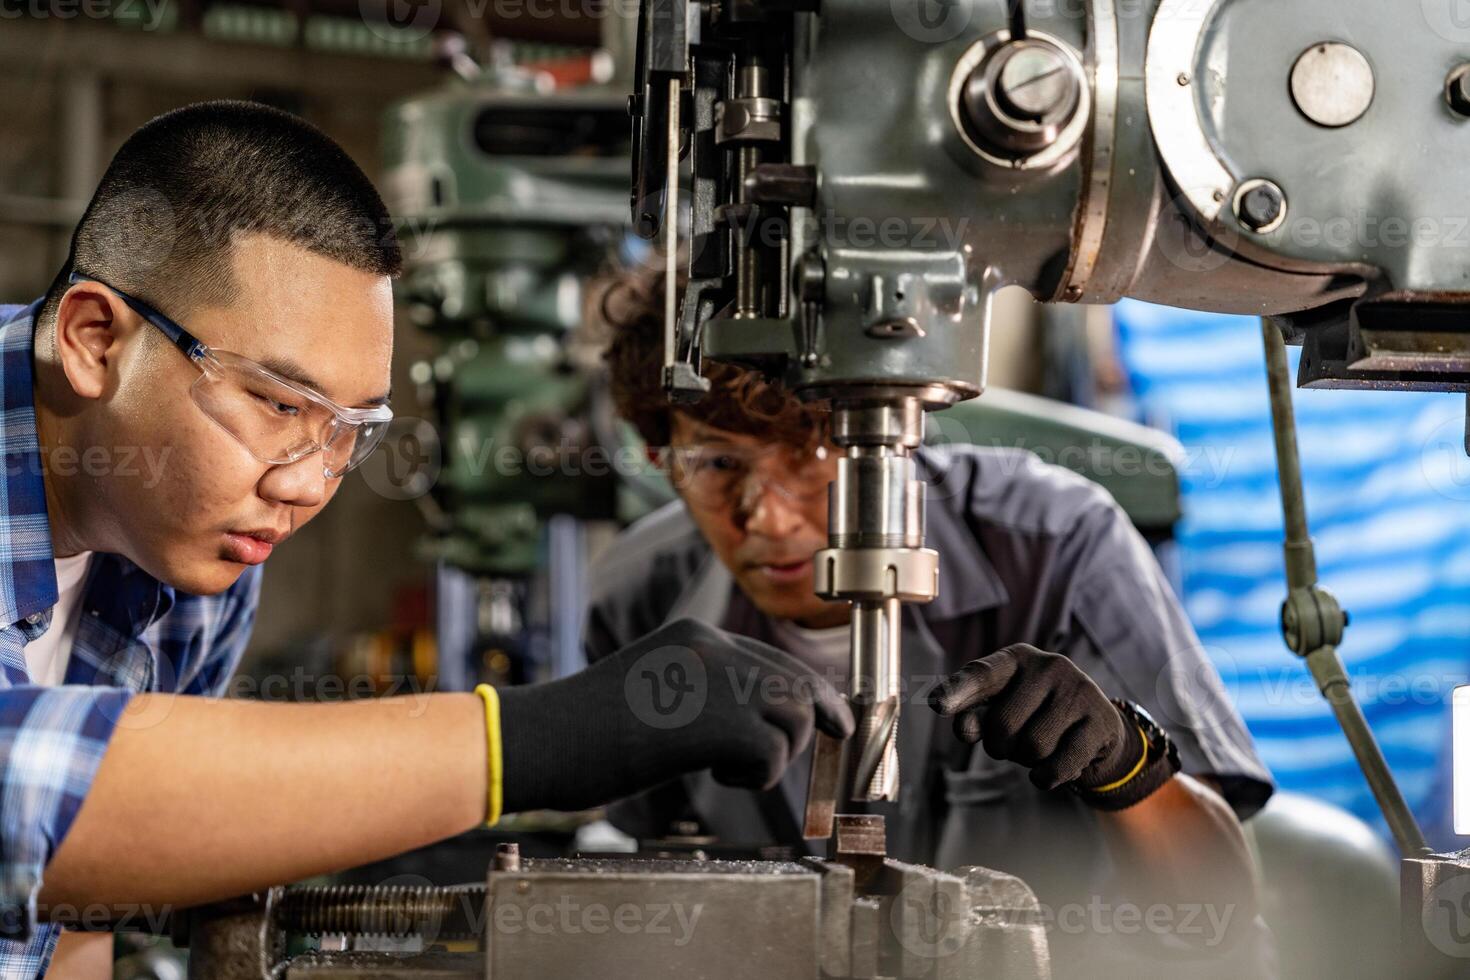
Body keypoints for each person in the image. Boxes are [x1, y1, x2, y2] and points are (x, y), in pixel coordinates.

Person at [0, 102, 852, 979]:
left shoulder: (204, 532)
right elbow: (18, 796)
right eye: (281, 405)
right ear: (94, 339)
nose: (307, 484)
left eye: (348, 432)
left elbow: (80, 903)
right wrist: (532, 742)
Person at [589, 271, 1279, 979]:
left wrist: (1127, 768)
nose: (765, 515)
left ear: (892, 434)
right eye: (718, 462)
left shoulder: (1058, 547)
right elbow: (660, 899)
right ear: (659, 459)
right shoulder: (639, 600)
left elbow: (1218, 918)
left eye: (809, 452)